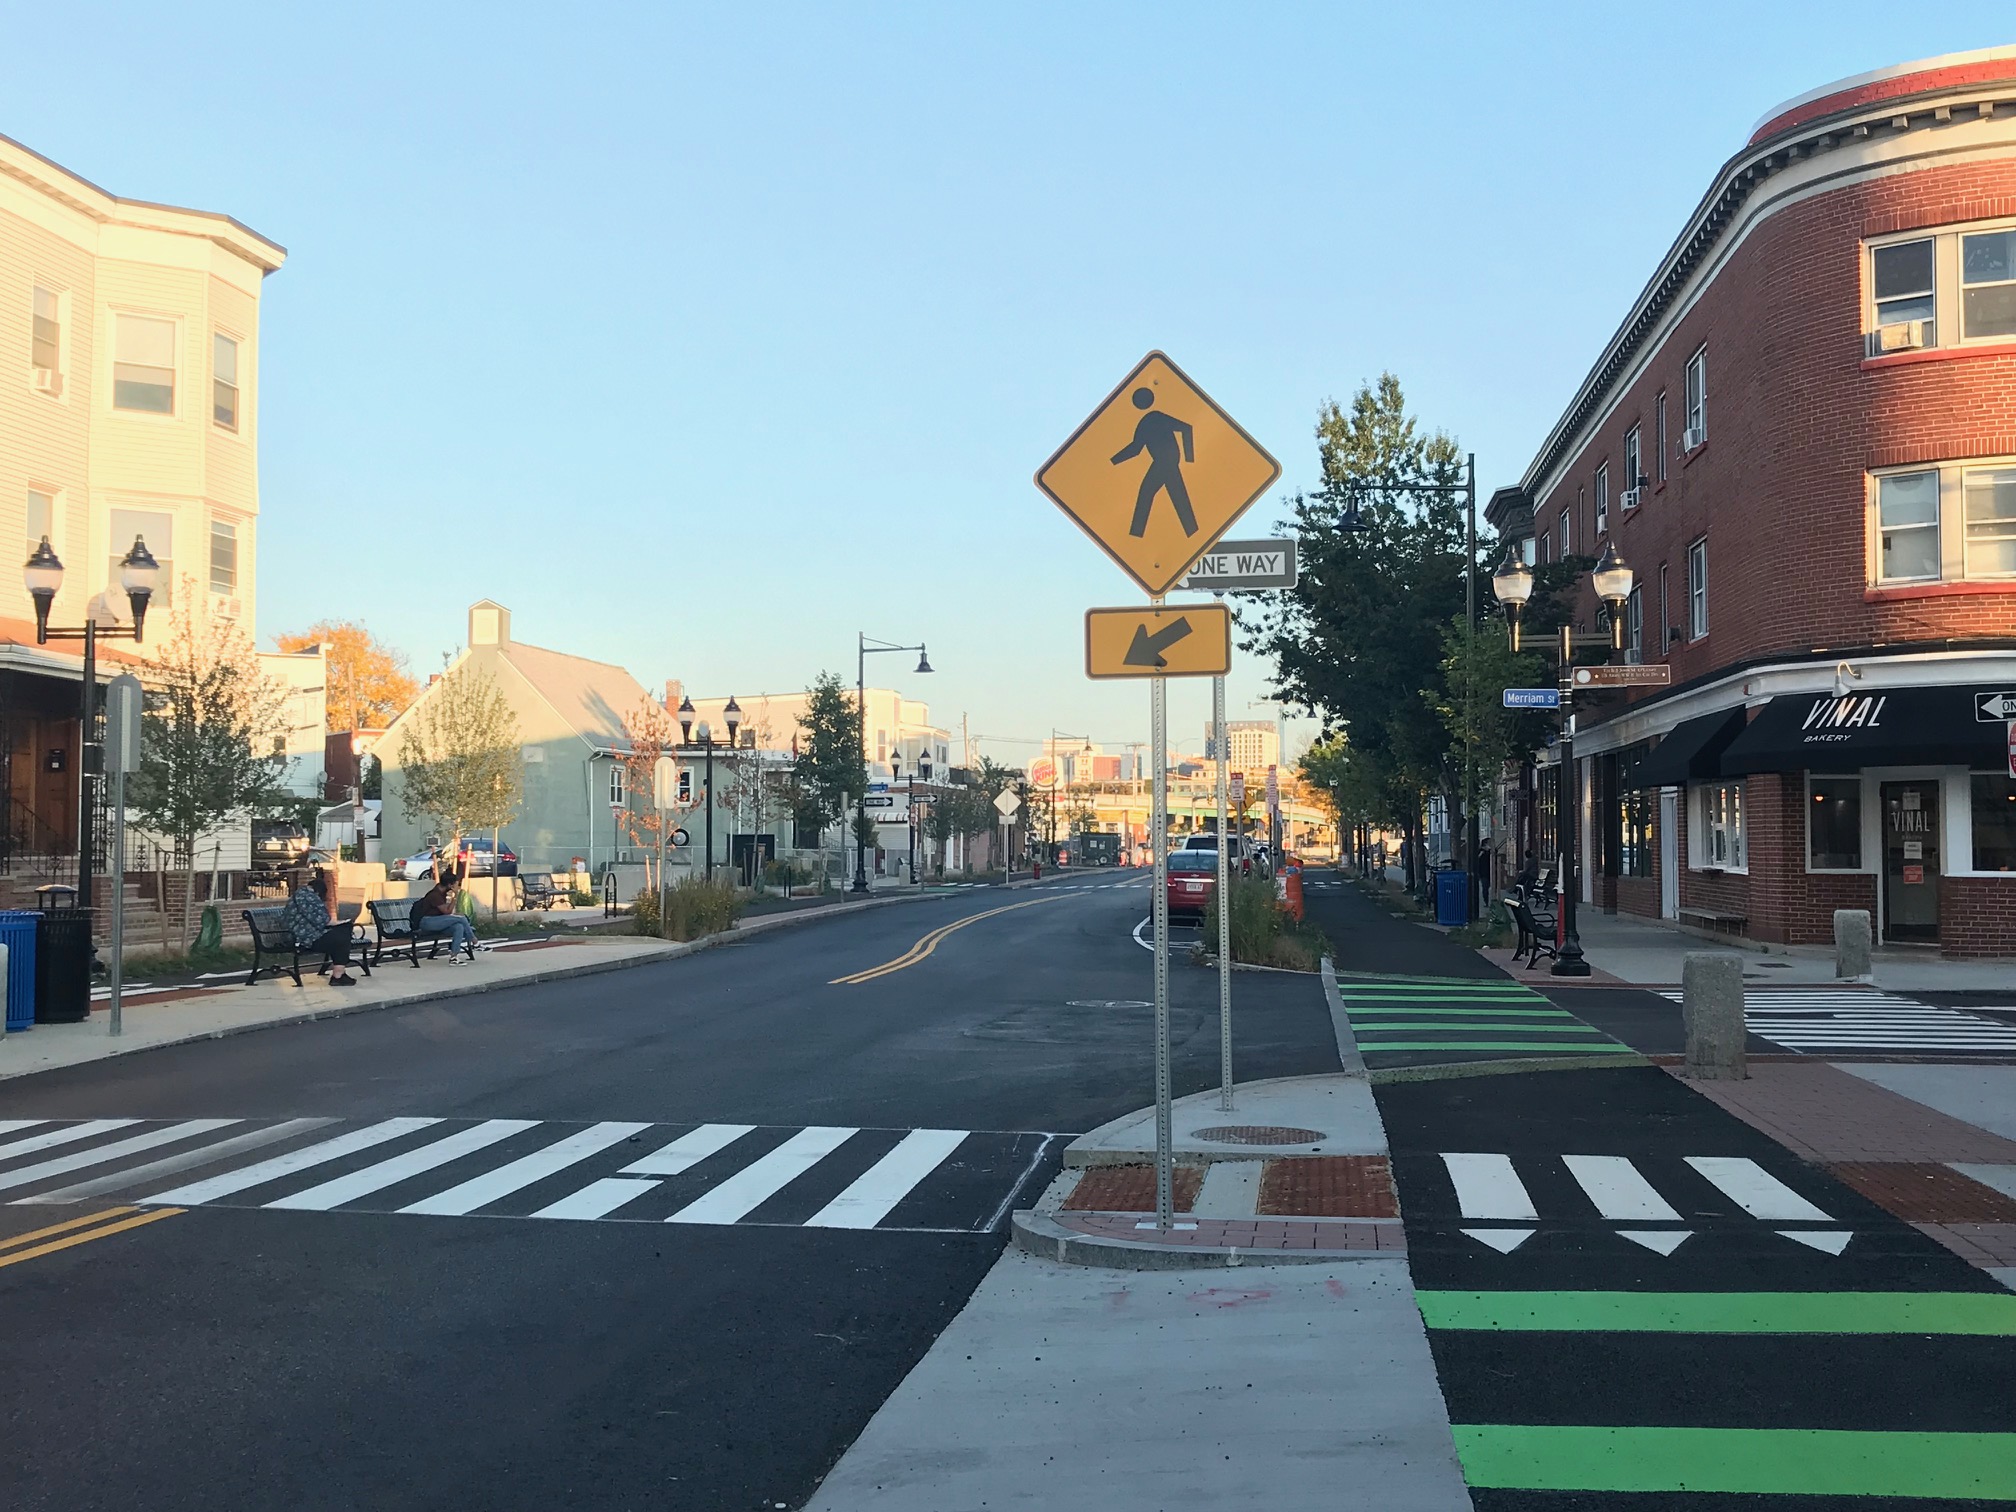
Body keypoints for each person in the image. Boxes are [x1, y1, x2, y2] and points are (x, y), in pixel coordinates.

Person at [283, 868, 361, 986]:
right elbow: (323, 921)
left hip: (304, 936)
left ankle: (339, 974)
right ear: (319, 892)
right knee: (342, 935)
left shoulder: (301, 895)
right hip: (305, 940)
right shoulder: (308, 898)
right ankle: (338, 975)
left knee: (341, 935)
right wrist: (342, 923)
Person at [411, 860, 480, 962]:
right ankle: (475, 943)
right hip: (427, 922)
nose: (457, 887)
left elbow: (446, 912)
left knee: (459, 927)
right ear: (450, 885)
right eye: (456, 885)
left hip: (437, 922)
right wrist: (455, 896)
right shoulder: (435, 895)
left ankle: (454, 957)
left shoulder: (441, 893)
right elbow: (447, 912)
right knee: (461, 918)